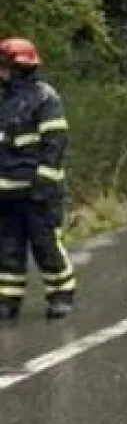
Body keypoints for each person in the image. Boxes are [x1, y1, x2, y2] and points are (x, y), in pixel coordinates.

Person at [0, 37, 76, 321]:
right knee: (8, 249)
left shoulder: (45, 98)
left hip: (38, 191)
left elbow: (55, 143)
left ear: (17, 67)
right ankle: (8, 299)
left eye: (4, 66)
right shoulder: (3, 101)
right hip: (7, 193)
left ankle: (61, 294)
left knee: (46, 245)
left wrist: (44, 183)